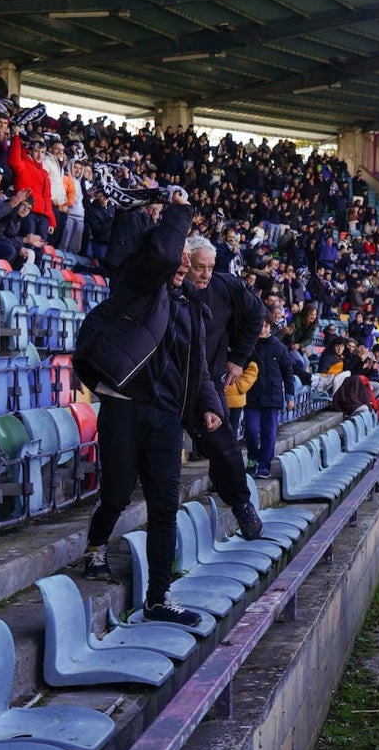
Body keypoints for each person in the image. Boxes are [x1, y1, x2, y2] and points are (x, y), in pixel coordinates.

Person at [72, 189, 217, 627]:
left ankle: (158, 597)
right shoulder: (137, 284)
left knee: (164, 507)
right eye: (183, 261)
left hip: (166, 416)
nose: (183, 269)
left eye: (190, 267)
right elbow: (159, 253)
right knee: (116, 493)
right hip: (124, 407)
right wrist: (180, 208)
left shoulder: (191, 309)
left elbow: (200, 370)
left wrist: (209, 405)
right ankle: (95, 547)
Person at [185, 236, 267, 539]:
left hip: (210, 380)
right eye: (198, 268)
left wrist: (238, 358)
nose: (206, 274)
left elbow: (257, 314)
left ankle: (242, 505)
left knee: (225, 443)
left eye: (210, 267)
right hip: (172, 383)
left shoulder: (227, 285)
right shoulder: (171, 288)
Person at [244, 319, 296, 478]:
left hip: (272, 397)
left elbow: (288, 372)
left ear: (270, 327)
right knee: (251, 430)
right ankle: (252, 459)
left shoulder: (279, 347)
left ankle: (264, 465)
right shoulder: (248, 344)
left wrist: (289, 395)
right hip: (251, 395)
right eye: (259, 325)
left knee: (269, 433)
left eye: (266, 326)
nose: (262, 329)